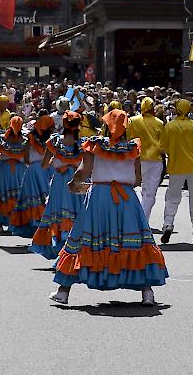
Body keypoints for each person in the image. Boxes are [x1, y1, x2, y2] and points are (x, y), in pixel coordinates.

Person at [50, 109, 168, 305]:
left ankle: (63, 291)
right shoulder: (133, 147)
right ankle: (147, 293)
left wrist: (73, 183)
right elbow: (138, 179)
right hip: (126, 199)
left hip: (98, 198)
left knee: (80, 239)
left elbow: (84, 171)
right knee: (136, 241)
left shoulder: (94, 145)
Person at [30, 111, 85, 259]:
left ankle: (58, 247)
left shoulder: (55, 142)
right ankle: (72, 250)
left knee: (57, 213)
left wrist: (56, 162)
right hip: (76, 182)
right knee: (75, 213)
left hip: (59, 183)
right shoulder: (83, 144)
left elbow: (44, 165)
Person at [160, 99, 193, 245]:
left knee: (172, 197)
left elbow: (163, 148)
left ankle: (168, 224)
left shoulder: (169, 126)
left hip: (176, 166)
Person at [9, 112, 55, 238]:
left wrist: (32, 164)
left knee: (33, 196)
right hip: (49, 169)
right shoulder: (53, 140)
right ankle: (47, 225)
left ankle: (35, 223)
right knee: (48, 196)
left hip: (34, 170)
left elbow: (25, 156)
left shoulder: (30, 137)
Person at [0, 116, 28, 233]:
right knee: (17, 196)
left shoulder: (1, 139)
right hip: (20, 171)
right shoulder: (25, 140)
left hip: (4, 170)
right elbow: (26, 157)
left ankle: (0, 224)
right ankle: (15, 223)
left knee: (2, 195)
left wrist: (4, 154)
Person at [127, 97, 164, 224]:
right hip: (155, 161)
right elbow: (163, 144)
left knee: (137, 189)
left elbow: (127, 139)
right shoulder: (159, 123)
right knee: (150, 194)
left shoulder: (132, 121)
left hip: (136, 159)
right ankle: (142, 220)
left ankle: (140, 219)